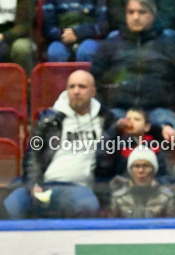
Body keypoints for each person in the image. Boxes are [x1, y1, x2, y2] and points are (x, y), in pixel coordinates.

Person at [4, 70, 114, 220]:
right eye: (71, 87)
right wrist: (33, 184)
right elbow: (33, 156)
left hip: (78, 188)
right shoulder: (49, 120)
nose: (76, 91)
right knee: (11, 206)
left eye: (82, 87)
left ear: (93, 91)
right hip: (43, 185)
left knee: (87, 206)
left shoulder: (105, 120)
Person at [91, 0, 175, 142]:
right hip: (119, 110)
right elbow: (93, 80)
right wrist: (101, 111)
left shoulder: (169, 44)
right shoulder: (110, 45)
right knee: (105, 131)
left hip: (158, 111)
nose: (136, 17)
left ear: (152, 15)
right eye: (131, 12)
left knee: (168, 131)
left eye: (142, 12)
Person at [107, 145, 175, 217]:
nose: (140, 171)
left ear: (153, 170)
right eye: (136, 166)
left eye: (145, 166)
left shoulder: (166, 198)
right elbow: (111, 222)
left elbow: (173, 222)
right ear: (130, 170)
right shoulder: (119, 199)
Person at [41, 0, 108, 62]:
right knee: (55, 52)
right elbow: (48, 28)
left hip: (89, 38)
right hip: (61, 38)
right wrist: (63, 35)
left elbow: (102, 26)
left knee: (86, 52)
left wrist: (77, 33)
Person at [0, 0, 39, 74]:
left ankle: (26, 79)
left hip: (20, 37)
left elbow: (25, 27)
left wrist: (3, 36)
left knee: (21, 48)